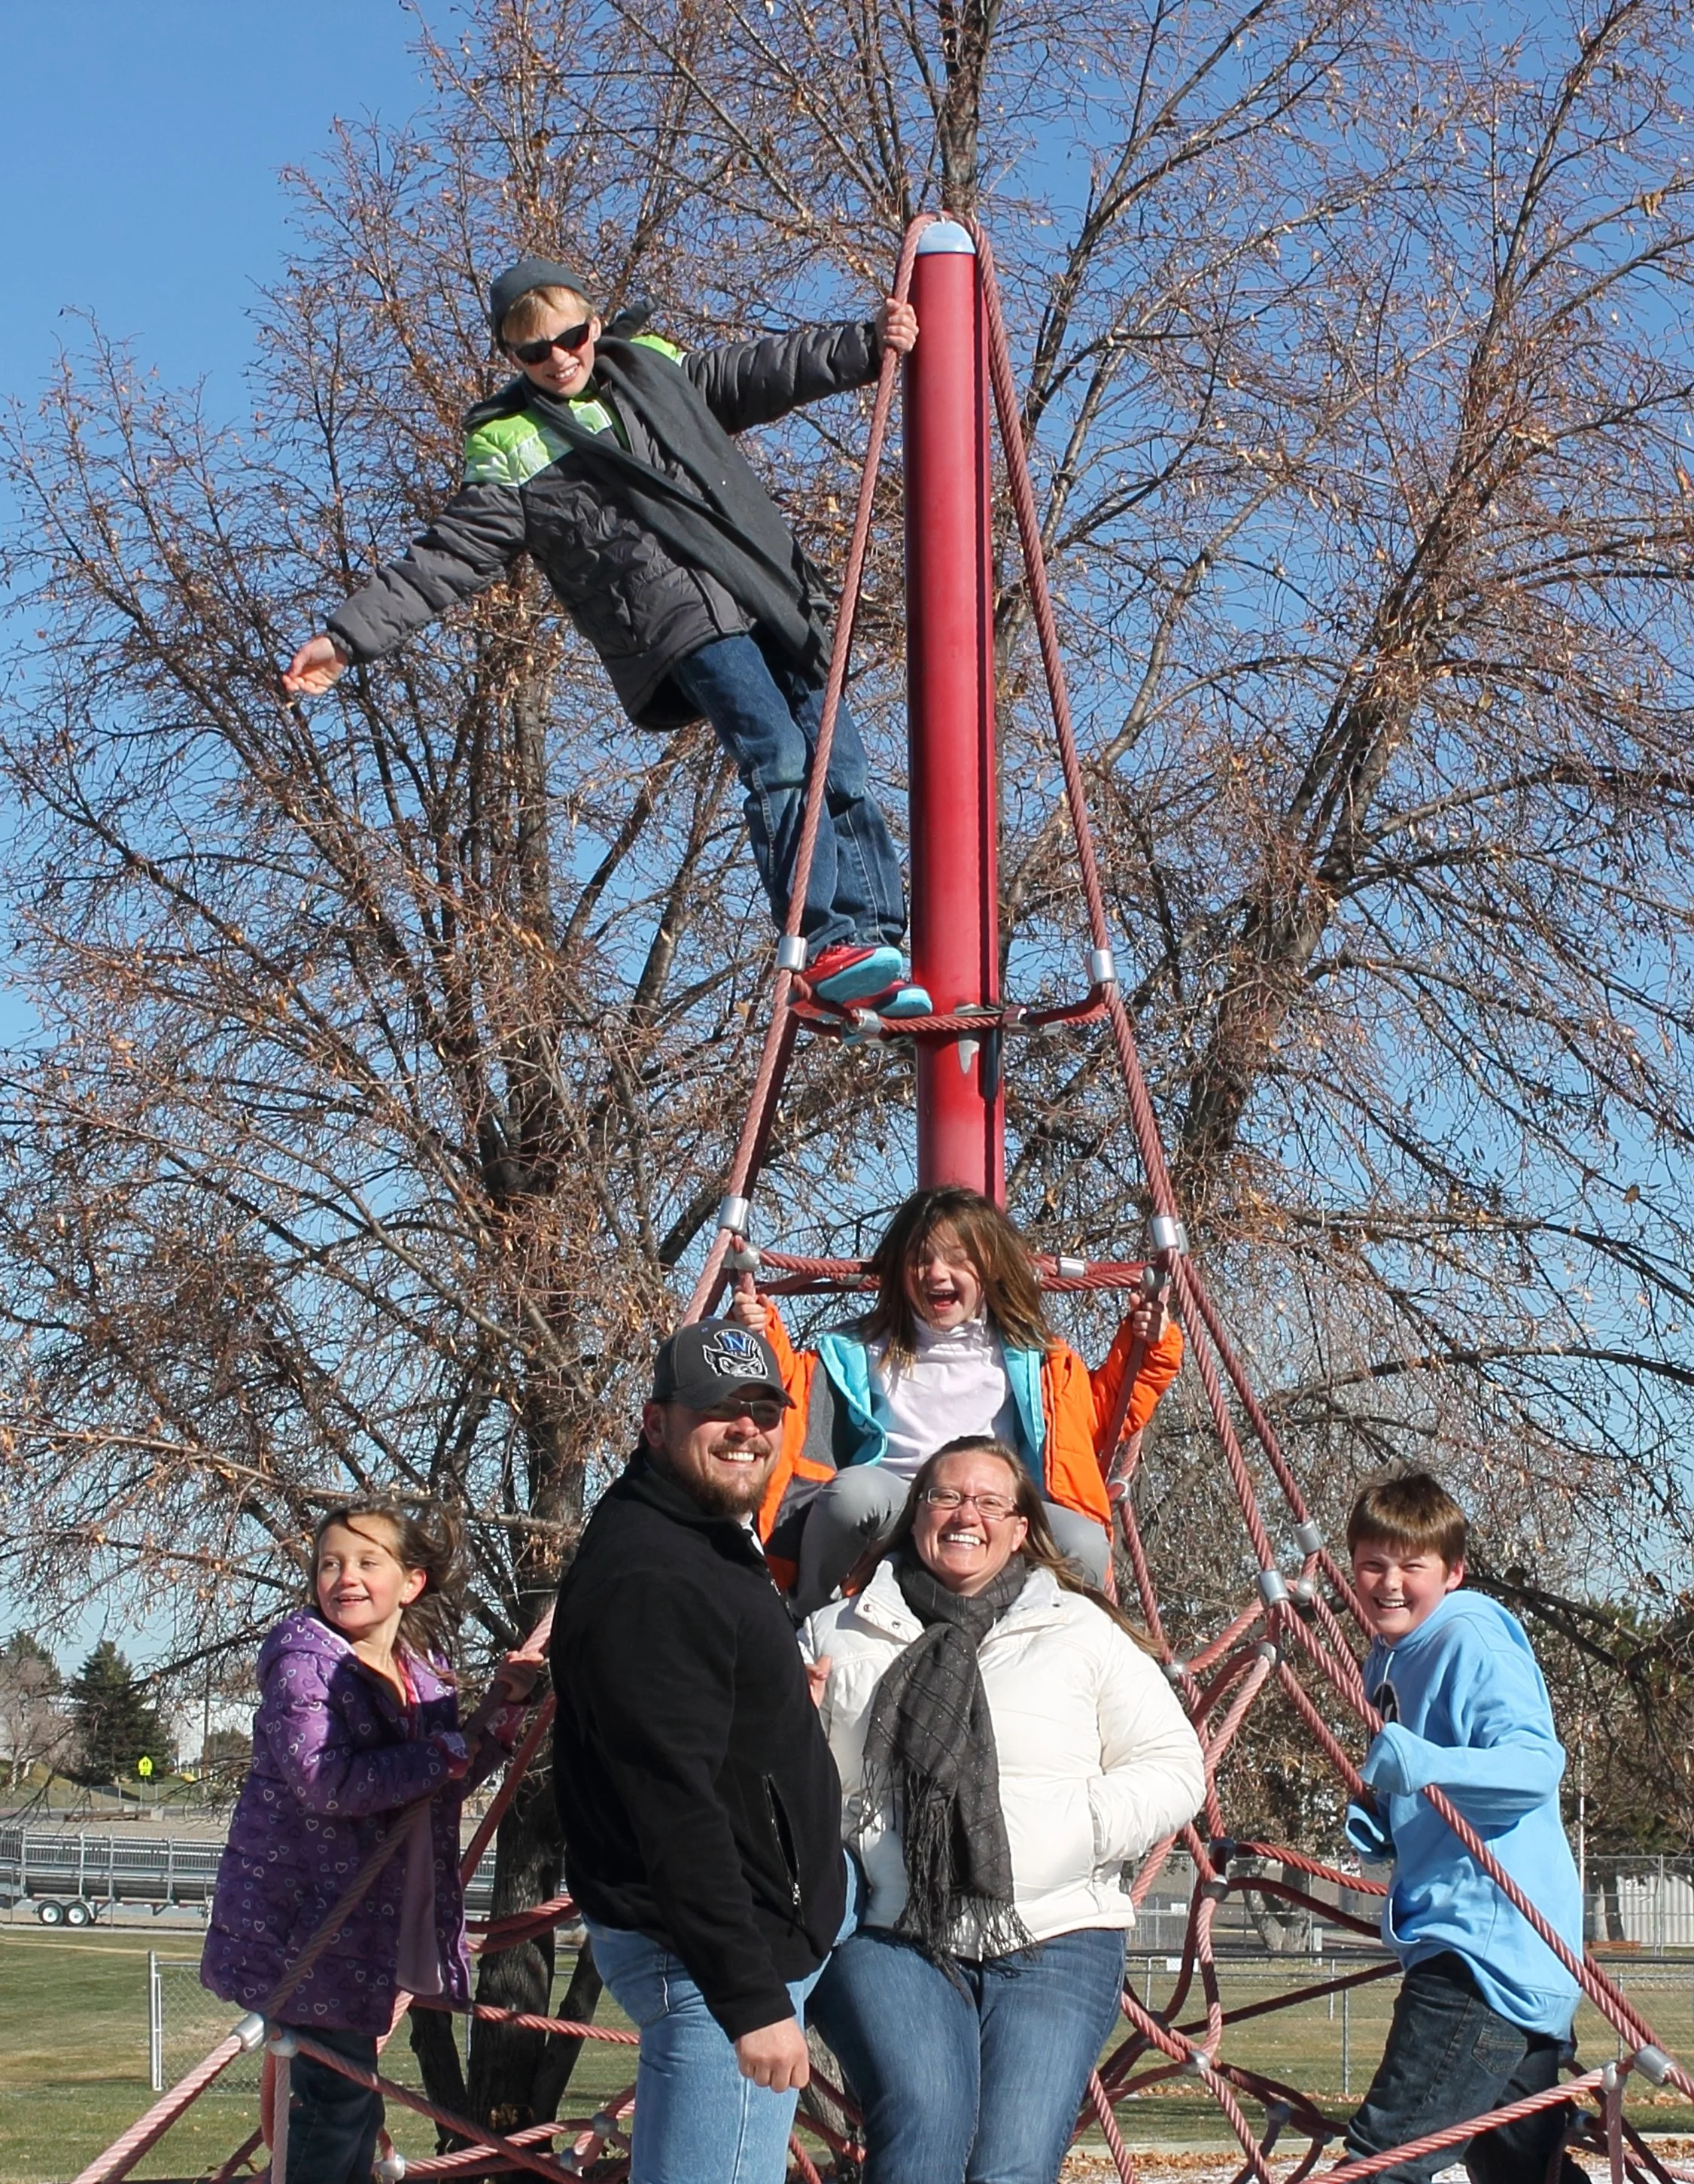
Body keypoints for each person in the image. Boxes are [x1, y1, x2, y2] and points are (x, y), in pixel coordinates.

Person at [1187, 1469, 1694, 2184]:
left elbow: (1532, 1767)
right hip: (1509, 1957)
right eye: (1371, 1563)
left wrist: (1420, 1765)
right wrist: (1390, 1812)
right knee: (1527, 2179)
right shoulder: (1399, 1656)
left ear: (1451, 1569)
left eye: (1409, 1566)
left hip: (1483, 1952)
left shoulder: (1463, 1630)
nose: (1387, 1583)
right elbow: (1444, 1779)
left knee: (1387, 2151)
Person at [282, 255, 929, 1025]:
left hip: (761, 585)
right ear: (511, 358)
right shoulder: (511, 442)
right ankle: (826, 942)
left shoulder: (651, 368)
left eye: (571, 336)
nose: (560, 358)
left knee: (842, 759)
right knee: (781, 756)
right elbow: (448, 557)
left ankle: (875, 943)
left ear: (593, 323)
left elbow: (758, 373)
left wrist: (863, 345)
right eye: (534, 351)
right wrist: (346, 639)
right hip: (671, 618)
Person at [802, 1435, 1206, 2184]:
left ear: (1026, 1525)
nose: (966, 1514)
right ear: (911, 1511)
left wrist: (1067, 1834)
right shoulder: (845, 1630)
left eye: (991, 1499)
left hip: (1054, 1929)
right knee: (924, 2119)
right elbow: (799, 1790)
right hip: (898, 1926)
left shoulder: (1077, 1632)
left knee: (1012, 2176)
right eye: (944, 1495)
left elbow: (1176, 1767)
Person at [540, 1318, 848, 2184]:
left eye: (764, 1411)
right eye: (719, 1409)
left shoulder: (692, 1542)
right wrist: (744, 1998)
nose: (746, 1428)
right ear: (655, 1418)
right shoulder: (658, 1568)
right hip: (710, 1957)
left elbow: (700, 1743)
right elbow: (671, 1801)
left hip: (745, 1940)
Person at [202, 1500, 532, 2184]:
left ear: (411, 1581)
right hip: (304, 1920)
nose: (345, 1577)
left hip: (366, 1921)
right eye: (329, 1564)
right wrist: (451, 1747)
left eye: (367, 1562)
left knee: (348, 2094)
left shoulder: (419, 1673)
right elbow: (325, 1781)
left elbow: (438, 1770)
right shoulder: (304, 1663)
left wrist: (499, 1714)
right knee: (336, 2095)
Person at [734, 1184, 1184, 1614]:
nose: (935, 1274)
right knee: (854, 1494)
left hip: (996, 1509)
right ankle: (806, 1612)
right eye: (920, 1260)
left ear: (990, 1268)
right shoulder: (859, 1348)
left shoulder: (1034, 1359)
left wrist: (1149, 1346)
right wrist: (761, 1330)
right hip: (902, 1509)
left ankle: (1057, 1644)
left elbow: (1096, 1425)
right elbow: (792, 1396)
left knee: (1084, 1542)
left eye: (956, 1260)